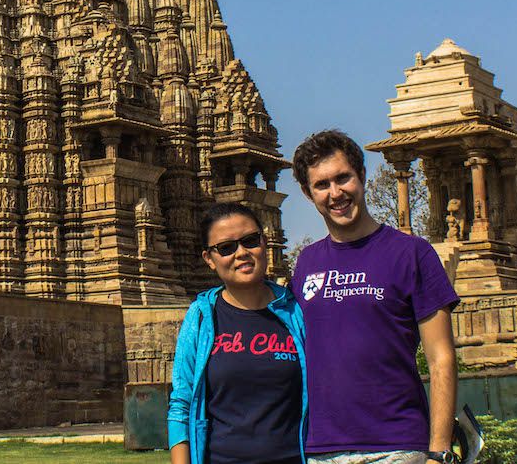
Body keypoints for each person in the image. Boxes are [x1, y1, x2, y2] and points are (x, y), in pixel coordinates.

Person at [290, 130, 460, 464]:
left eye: (343, 178)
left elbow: (441, 358)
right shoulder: (307, 263)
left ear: (362, 175)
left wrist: (439, 452)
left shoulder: (412, 253)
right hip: (321, 449)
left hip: (396, 443)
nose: (336, 193)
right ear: (308, 193)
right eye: (322, 185)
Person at [168, 202, 307, 464]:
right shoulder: (201, 317)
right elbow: (181, 405)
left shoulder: (295, 312)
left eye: (250, 240)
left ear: (265, 243)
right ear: (209, 259)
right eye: (226, 248)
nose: (241, 253)